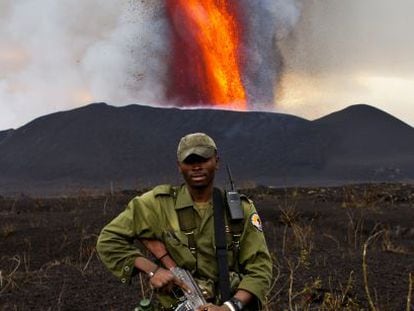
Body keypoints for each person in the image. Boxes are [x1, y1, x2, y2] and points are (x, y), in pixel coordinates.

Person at [96, 132, 272, 310]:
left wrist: (229, 307)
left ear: (216, 162)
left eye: (203, 160)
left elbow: (260, 268)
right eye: (189, 161)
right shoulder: (157, 205)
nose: (196, 167)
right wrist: (153, 270)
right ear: (179, 166)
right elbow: (108, 240)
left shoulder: (239, 209)